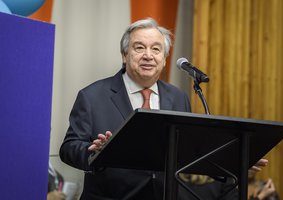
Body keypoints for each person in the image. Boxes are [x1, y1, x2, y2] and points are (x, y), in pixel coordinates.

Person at [59, 18, 267, 200]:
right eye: (139, 47)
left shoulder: (178, 98)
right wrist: (93, 153)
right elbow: (68, 148)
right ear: (124, 55)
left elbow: (190, 154)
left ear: (164, 59)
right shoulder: (92, 95)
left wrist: (234, 160)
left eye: (156, 49)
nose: (148, 55)